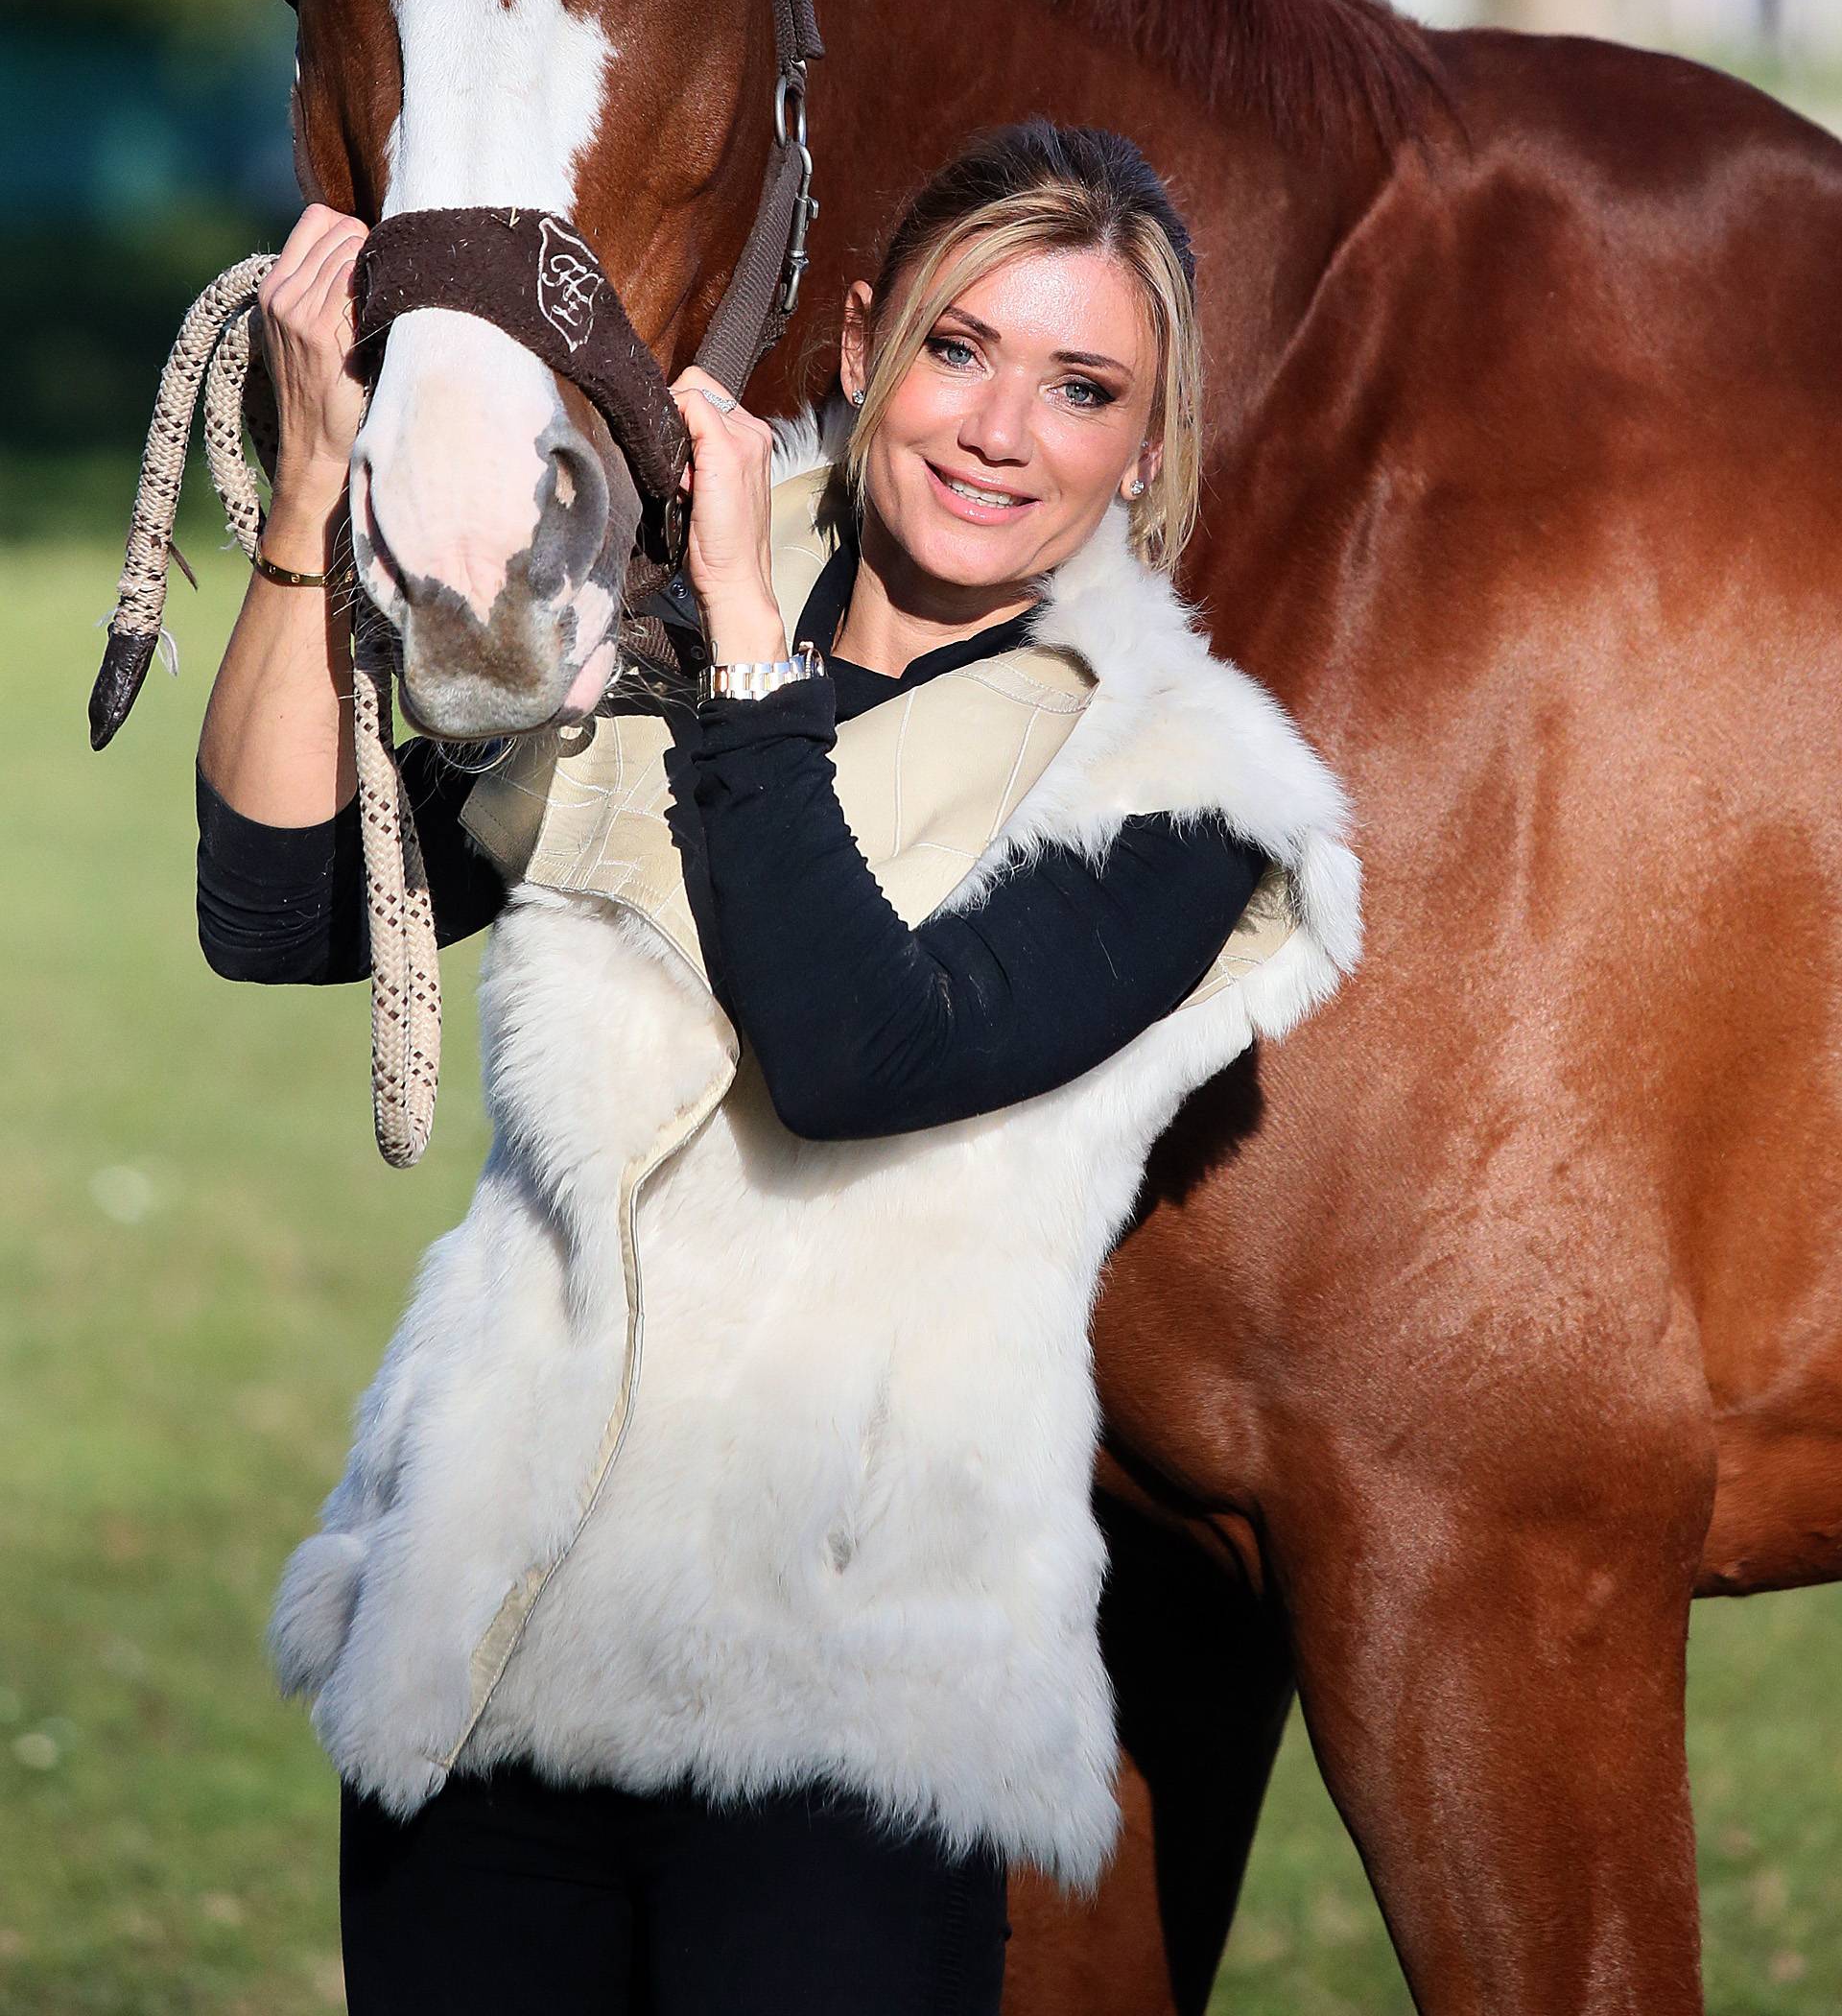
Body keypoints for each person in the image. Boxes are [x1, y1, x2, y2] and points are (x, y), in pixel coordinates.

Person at [195, 120, 1360, 2016]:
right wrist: (311, 491)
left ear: (1147, 456)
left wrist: (745, 639)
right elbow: (283, 903)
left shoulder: (1179, 783)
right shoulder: (626, 621)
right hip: (485, 1647)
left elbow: (855, 1052)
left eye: (1082, 390)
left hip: (843, 1704)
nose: (1000, 427)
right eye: (959, 349)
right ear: (854, 351)